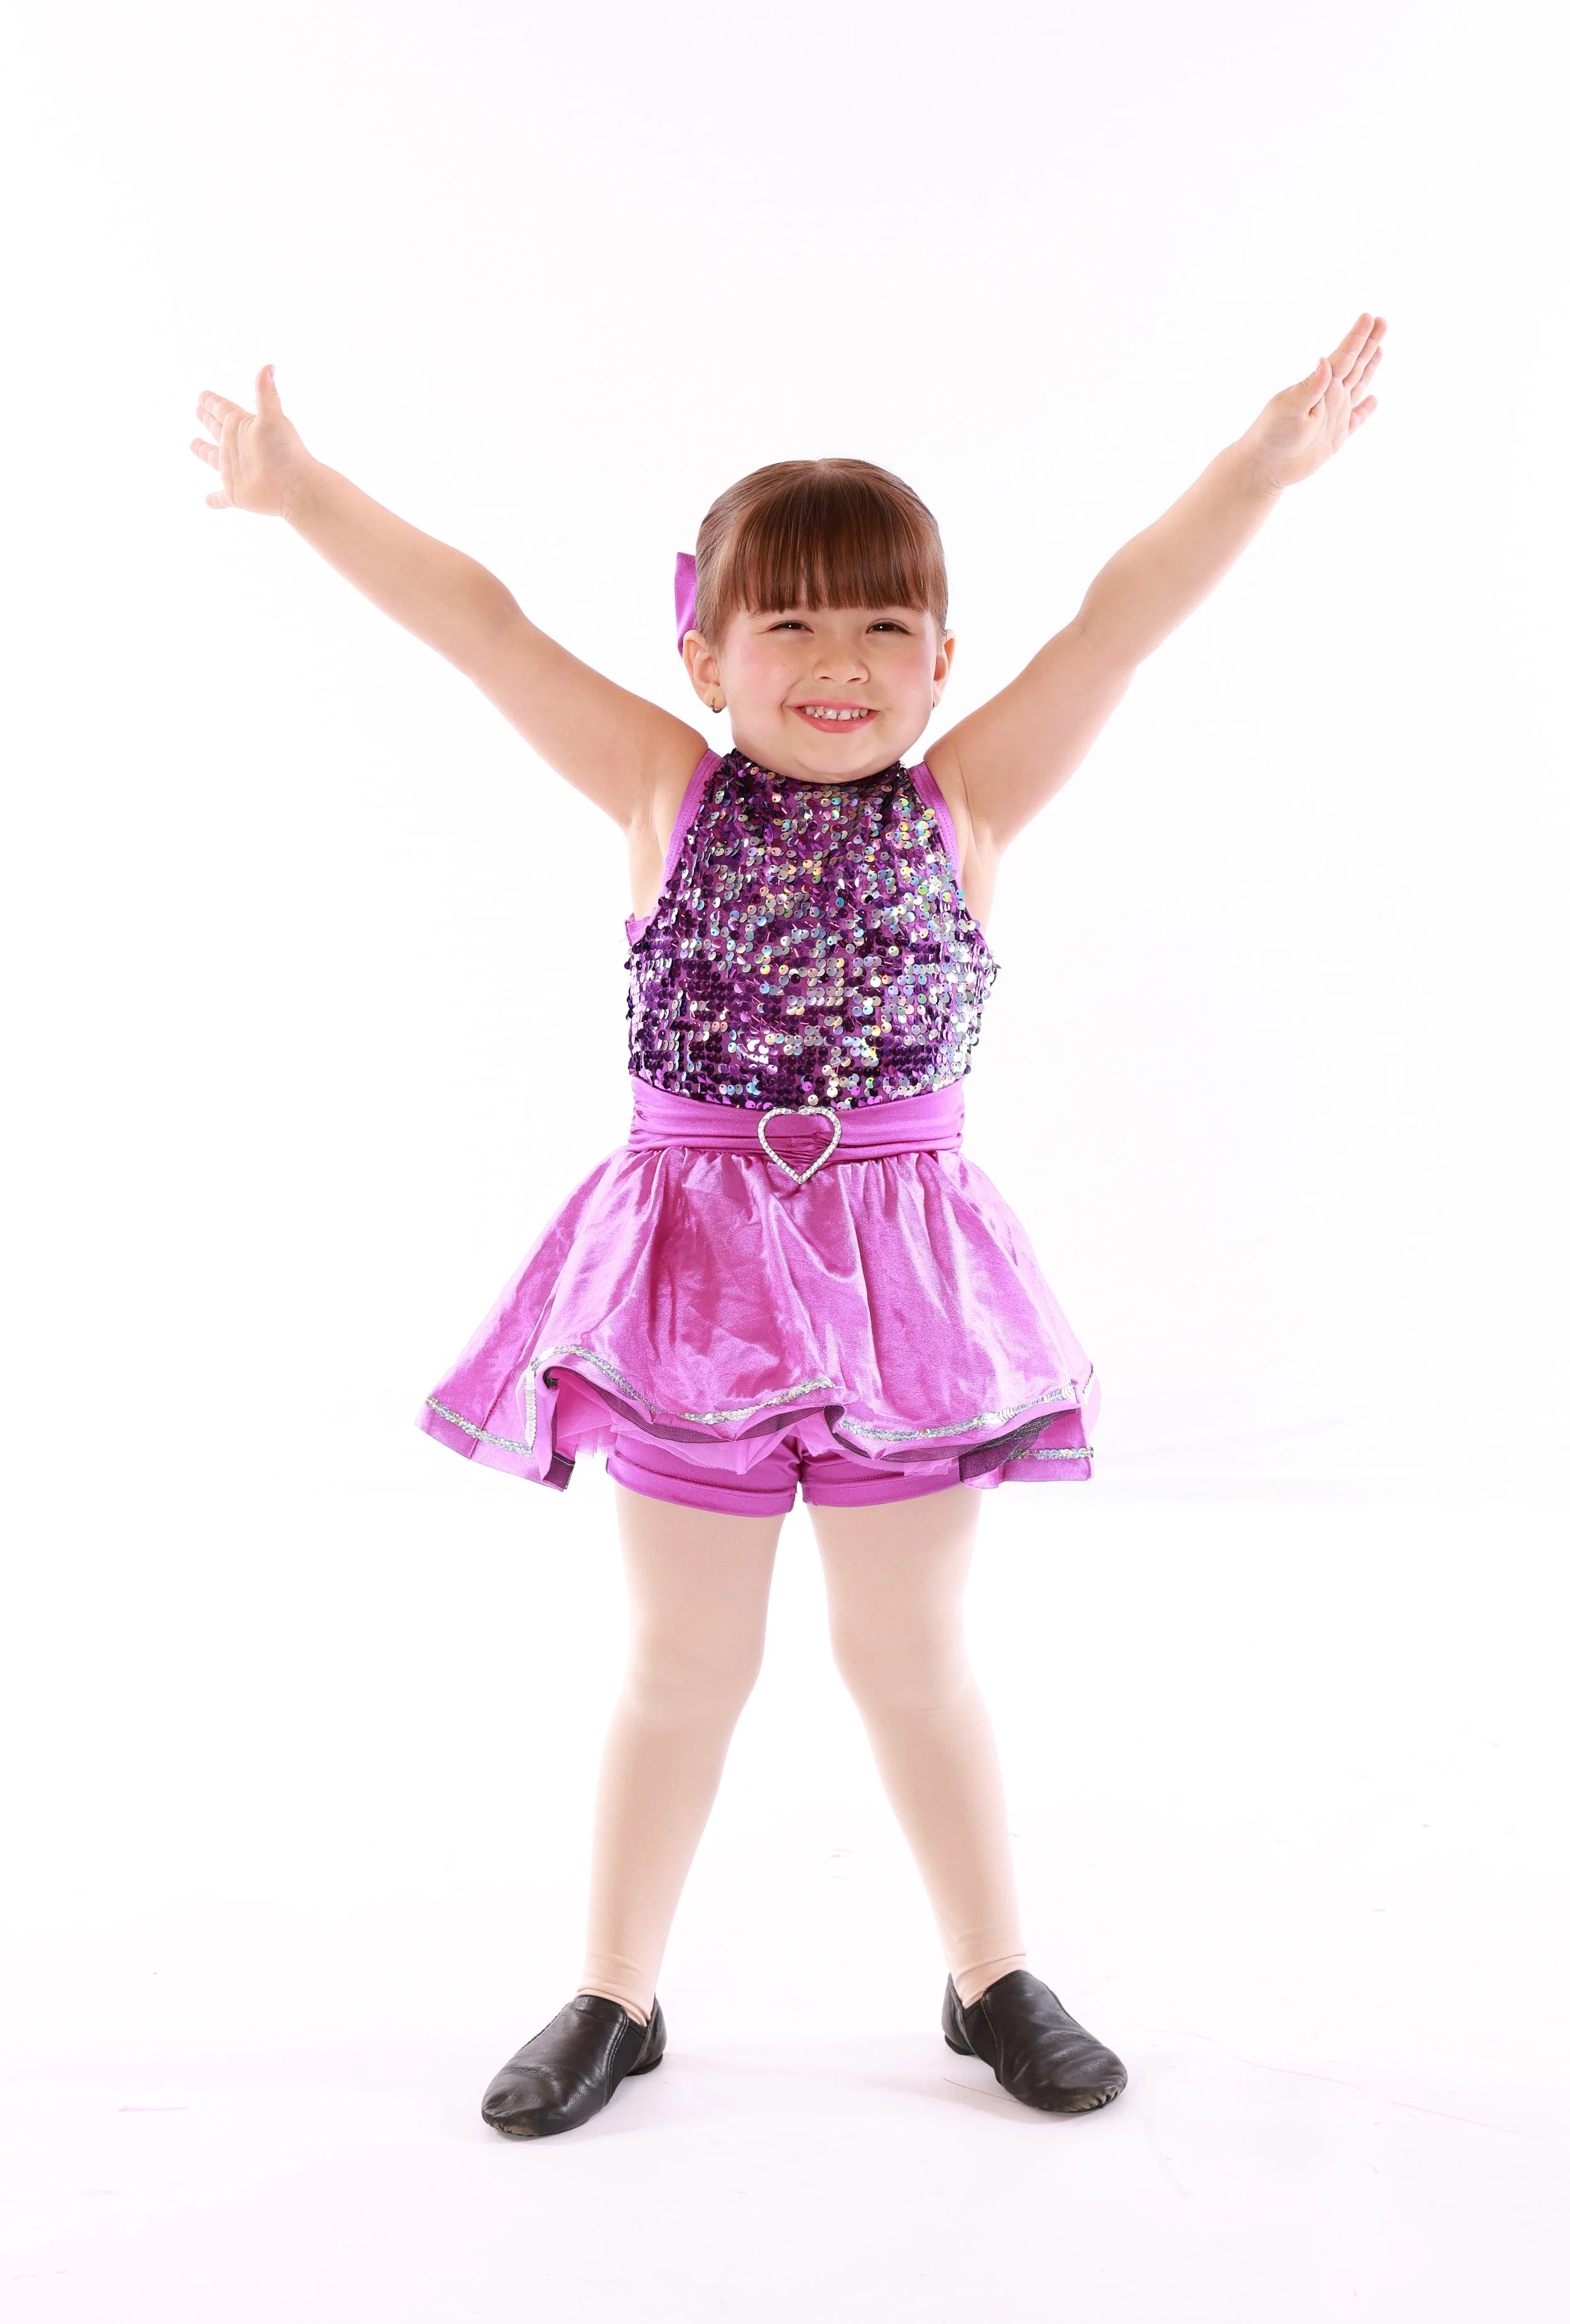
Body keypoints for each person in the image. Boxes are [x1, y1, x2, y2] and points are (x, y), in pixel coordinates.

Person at [190, 315, 1384, 2136]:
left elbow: (1121, 617)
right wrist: (300, 496)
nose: (840, 662)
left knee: (909, 1656)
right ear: (707, 649)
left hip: (906, 1285)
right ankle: (615, 1989)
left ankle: (989, 1975)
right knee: (686, 1658)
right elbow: (485, 623)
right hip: (689, 1277)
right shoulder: (664, 790)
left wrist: (1257, 470)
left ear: (938, 658)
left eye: (884, 625)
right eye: (792, 622)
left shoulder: (966, 799)